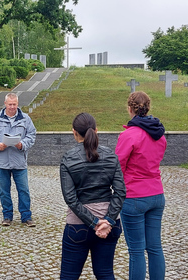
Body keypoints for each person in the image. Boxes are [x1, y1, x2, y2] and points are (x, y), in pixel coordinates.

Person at [59, 113, 126, 280]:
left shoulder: (68, 159)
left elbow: (70, 198)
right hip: (110, 225)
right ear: (97, 131)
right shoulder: (111, 156)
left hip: (78, 225)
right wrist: (108, 220)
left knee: (69, 276)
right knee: (105, 273)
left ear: (74, 132)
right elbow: (120, 191)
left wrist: (94, 222)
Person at [115, 91, 167, 280]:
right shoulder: (159, 135)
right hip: (157, 194)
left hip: (134, 196)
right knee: (155, 247)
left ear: (130, 109)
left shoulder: (129, 135)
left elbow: (117, 167)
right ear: (148, 108)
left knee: (136, 250)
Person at [0, 92, 37, 227]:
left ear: (18, 104)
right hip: (1, 162)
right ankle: (7, 216)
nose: (12, 107)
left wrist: (22, 145)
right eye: (10, 104)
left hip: (19, 162)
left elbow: (31, 135)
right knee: (4, 191)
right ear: (5, 104)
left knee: (24, 190)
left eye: (14, 104)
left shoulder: (26, 119)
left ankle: (26, 216)